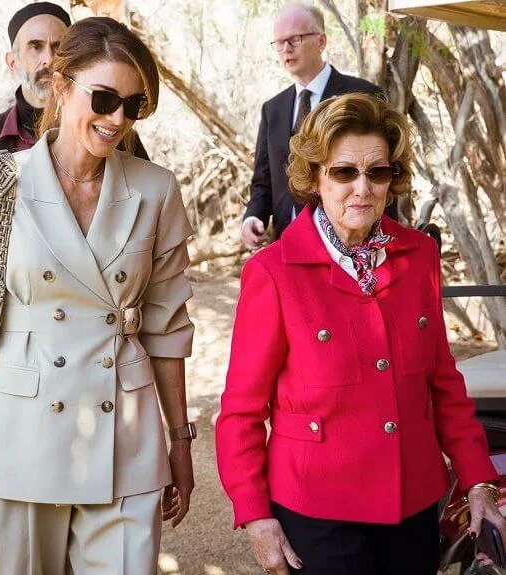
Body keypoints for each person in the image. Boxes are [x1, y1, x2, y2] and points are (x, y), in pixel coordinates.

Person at [0, 17, 195, 574]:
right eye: (103, 97)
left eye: (134, 104)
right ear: (61, 84)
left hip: (127, 438)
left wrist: (180, 441)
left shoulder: (156, 189)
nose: (117, 118)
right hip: (18, 436)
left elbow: (166, 328)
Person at [216, 92, 506, 575]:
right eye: (344, 172)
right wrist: (255, 515)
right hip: (317, 513)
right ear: (315, 177)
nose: (363, 188)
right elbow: (242, 411)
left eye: (379, 172)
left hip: (412, 504)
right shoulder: (273, 273)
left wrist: (478, 480)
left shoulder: (418, 257)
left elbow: (443, 382)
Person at [0, 2, 149, 260]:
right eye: (35, 47)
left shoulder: (115, 136)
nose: (49, 59)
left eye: (59, 47)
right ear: (13, 62)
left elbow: (143, 220)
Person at [242, 3, 391, 251]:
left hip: (351, 246)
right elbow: (263, 180)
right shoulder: (273, 108)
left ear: (321, 41)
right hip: (288, 246)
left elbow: (382, 170)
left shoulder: (363, 95)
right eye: (279, 43)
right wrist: (253, 216)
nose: (286, 49)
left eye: (295, 39)